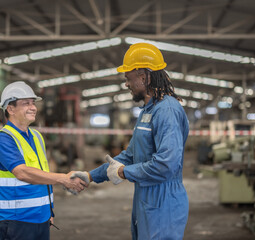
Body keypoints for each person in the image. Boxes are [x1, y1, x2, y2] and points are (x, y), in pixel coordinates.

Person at [73, 42, 190, 239]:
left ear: (144, 77)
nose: (126, 84)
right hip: (146, 198)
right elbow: (130, 155)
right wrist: (90, 176)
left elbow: (166, 164)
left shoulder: (167, 110)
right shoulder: (148, 111)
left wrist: (123, 172)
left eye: (128, 78)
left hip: (163, 201)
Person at [0, 81, 88, 240]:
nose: (33, 107)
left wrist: (49, 210)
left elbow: (42, 174)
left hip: (40, 218)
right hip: (15, 221)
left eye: (33, 103)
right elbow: (21, 172)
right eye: (26, 103)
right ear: (10, 108)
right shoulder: (3, 139)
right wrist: (63, 178)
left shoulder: (36, 137)